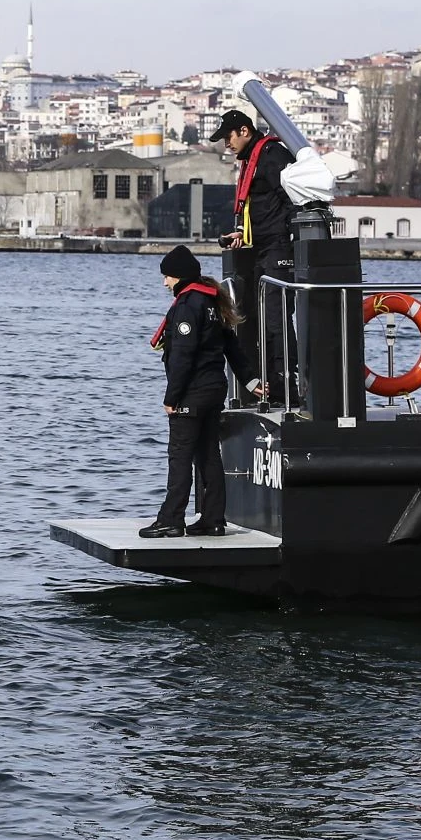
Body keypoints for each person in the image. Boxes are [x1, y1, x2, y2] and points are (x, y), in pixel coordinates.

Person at [140, 245, 259, 539]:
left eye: (167, 276)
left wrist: (171, 398)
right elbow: (233, 348)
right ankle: (213, 519)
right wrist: (252, 382)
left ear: (178, 276)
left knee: (180, 455)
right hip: (215, 389)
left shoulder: (187, 306)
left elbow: (182, 356)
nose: (164, 283)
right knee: (208, 454)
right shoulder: (212, 302)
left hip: (191, 393)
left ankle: (170, 519)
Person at [212, 108, 295, 403]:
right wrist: (242, 234)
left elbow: (291, 200)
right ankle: (269, 384)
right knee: (258, 320)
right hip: (260, 248)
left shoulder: (272, 156)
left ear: (244, 131)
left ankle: (289, 387)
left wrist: (283, 236)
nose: (226, 145)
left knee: (276, 319)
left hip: (277, 248)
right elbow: (257, 208)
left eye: (228, 138)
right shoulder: (251, 160)